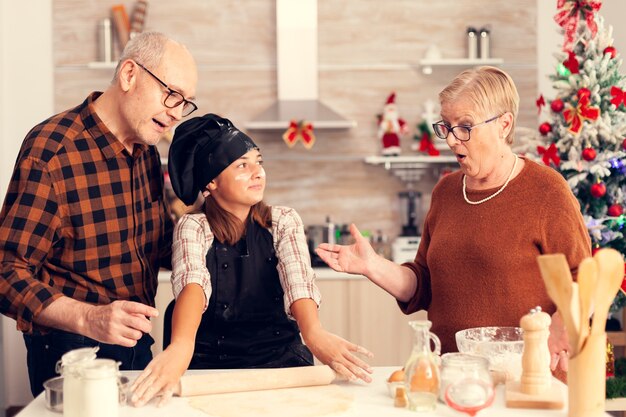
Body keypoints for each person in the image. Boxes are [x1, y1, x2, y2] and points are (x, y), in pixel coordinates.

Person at [316, 66, 590, 374]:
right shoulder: (445, 191)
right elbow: (424, 283)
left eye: (465, 126)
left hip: (526, 377)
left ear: (504, 124)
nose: (451, 139)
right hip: (453, 374)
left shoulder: (545, 191)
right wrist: (373, 266)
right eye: (446, 126)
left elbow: (584, 276)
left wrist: (561, 324)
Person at [0, 31, 198, 396]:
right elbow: (6, 271)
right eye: (171, 94)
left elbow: (157, 246)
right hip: (71, 353)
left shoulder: (146, 152)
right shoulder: (52, 151)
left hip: (137, 345)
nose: (175, 112)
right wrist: (87, 317)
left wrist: (218, 222)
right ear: (128, 75)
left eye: (185, 102)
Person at [130, 114, 373, 406]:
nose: (258, 172)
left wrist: (314, 333)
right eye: (242, 166)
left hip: (281, 362)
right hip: (210, 367)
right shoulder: (193, 227)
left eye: (259, 162)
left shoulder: (283, 221)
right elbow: (192, 282)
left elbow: (298, 283)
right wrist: (181, 346)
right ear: (212, 182)